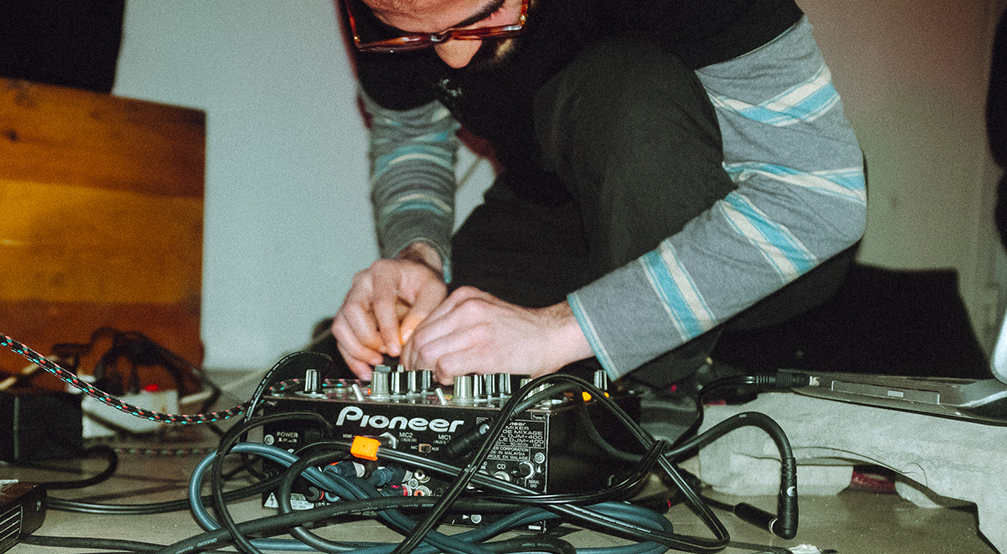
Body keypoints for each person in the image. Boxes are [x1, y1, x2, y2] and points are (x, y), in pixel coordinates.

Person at [329, 0, 868, 395]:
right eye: (412, 35)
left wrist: (559, 332)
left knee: (624, 88)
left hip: (746, 218)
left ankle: (660, 383)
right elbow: (411, 131)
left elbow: (817, 199)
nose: (453, 57)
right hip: (556, 208)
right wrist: (418, 252)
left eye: (485, 17)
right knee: (420, 357)